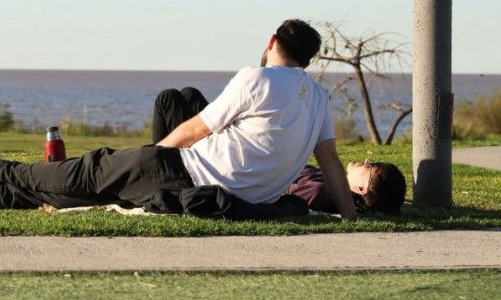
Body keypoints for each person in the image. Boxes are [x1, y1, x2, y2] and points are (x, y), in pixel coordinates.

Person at [0, 19, 359, 219]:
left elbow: (195, 129)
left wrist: (150, 155)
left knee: (92, 169)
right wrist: (350, 216)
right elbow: (330, 163)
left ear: (272, 43)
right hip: (235, 196)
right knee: (104, 186)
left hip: (191, 174)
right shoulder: (320, 97)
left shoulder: (259, 77)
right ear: (309, 60)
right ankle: (1, 196)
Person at [152, 86, 407, 215]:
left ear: (361, 189)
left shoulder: (321, 191)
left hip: (233, 169)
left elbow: (275, 191)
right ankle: (153, 163)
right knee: (189, 95)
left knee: (169, 99)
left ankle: (153, 168)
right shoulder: (330, 183)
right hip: (245, 160)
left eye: (371, 166)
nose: (366, 159)